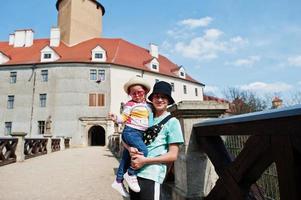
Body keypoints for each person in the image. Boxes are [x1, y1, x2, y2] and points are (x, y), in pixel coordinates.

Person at [126, 81, 184, 200]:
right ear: (152, 99)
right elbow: (126, 135)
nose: (160, 100)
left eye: (164, 97)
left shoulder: (173, 122)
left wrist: (145, 160)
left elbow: (173, 155)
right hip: (134, 174)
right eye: (157, 96)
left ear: (168, 101)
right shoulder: (146, 118)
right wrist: (129, 148)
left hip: (152, 175)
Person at [110, 76, 153, 197]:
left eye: (139, 92)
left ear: (145, 92)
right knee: (144, 151)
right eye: (133, 93)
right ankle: (130, 173)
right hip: (131, 132)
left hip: (139, 134)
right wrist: (116, 118)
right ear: (130, 95)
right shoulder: (130, 105)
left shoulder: (149, 106)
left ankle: (118, 181)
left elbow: (151, 118)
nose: (137, 95)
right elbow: (123, 118)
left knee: (126, 158)